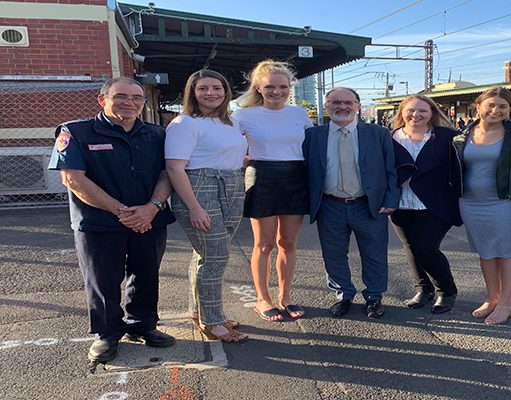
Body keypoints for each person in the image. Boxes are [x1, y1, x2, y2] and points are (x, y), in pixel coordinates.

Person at [49, 77, 176, 363]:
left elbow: (168, 173)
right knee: (102, 280)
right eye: (120, 96)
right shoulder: (76, 132)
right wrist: (122, 212)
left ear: (143, 103)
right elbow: (73, 178)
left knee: (146, 275)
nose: (129, 103)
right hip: (99, 224)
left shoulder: (158, 135)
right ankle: (107, 333)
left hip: (149, 220)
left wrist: (152, 208)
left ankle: (142, 325)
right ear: (102, 99)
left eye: (136, 98)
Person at [165, 69, 249, 342]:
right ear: (193, 92)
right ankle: (212, 321)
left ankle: (198, 310)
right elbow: (175, 169)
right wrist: (194, 207)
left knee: (204, 254)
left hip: (233, 185)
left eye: (217, 88)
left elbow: (228, 154)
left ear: (226, 92)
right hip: (200, 188)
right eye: (203, 88)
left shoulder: (231, 122)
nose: (211, 93)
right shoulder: (185, 123)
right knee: (216, 256)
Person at [302, 87, 401, 318]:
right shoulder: (313, 136)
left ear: (357, 105)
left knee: (374, 254)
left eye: (348, 102)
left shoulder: (378, 133)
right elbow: (305, 170)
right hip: (330, 205)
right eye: (336, 102)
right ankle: (343, 294)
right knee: (333, 254)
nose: (342, 107)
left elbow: (391, 169)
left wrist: (390, 199)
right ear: (327, 106)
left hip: (368, 204)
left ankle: (374, 297)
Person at [233, 60, 314, 322]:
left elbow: (312, 147)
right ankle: (263, 299)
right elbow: (228, 144)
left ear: (290, 87)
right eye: (270, 86)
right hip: (262, 176)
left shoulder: (299, 114)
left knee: (288, 243)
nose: (277, 91)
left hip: (295, 176)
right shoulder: (243, 115)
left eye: (283, 86)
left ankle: (286, 296)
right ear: (258, 87)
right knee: (264, 244)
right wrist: (242, 160)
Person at [451, 87, 511, 325]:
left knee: (507, 251)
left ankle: (507, 302)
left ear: (509, 110)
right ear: (478, 107)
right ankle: (492, 298)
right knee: (485, 252)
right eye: (490, 105)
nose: (495, 110)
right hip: (471, 203)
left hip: (506, 202)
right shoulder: (463, 134)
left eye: (502, 106)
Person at [390, 95, 462, 314]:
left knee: (425, 247)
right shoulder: (389, 137)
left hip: (436, 204)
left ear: (432, 113)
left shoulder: (448, 137)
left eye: (422, 110)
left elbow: (460, 167)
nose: (416, 115)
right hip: (401, 203)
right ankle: (424, 289)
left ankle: (446, 291)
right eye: (411, 110)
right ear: (401, 112)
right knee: (411, 247)